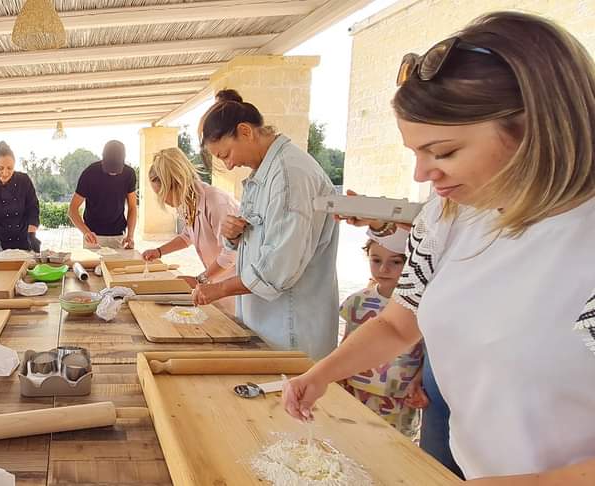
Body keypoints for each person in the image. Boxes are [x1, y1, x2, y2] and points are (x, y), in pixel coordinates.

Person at [283, 12, 595, 482]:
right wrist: (322, 374)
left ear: (537, 130)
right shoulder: (450, 216)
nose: (423, 174)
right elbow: (397, 323)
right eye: (416, 152)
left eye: (444, 152)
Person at [190, 90, 340, 360]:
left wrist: (219, 289)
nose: (230, 163)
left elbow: (278, 267)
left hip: (291, 329)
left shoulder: (290, 175)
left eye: (226, 154)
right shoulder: (263, 173)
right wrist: (232, 236)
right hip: (267, 324)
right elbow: (254, 238)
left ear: (245, 131)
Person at [339, 228, 426, 438]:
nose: (384, 269)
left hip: (400, 397)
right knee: (352, 440)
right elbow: (348, 342)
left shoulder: (422, 306)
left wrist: (419, 381)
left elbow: (428, 352)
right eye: (376, 260)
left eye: (396, 262)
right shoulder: (356, 301)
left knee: (395, 449)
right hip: (357, 390)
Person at [141, 148, 240, 317]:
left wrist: (199, 279)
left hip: (236, 286)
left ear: (177, 183)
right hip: (217, 283)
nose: (163, 199)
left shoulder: (216, 202)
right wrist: (159, 251)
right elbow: (188, 236)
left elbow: (231, 255)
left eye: (162, 193)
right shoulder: (189, 202)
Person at [68, 140, 138, 249]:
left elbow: (132, 207)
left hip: (118, 235)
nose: (113, 173)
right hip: (92, 236)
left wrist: (130, 235)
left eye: (116, 169)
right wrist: (86, 232)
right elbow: (72, 210)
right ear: (103, 159)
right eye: (110, 169)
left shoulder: (129, 174)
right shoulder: (89, 173)